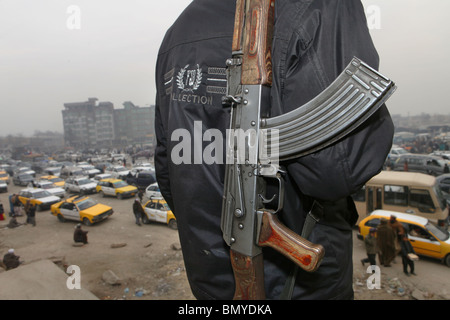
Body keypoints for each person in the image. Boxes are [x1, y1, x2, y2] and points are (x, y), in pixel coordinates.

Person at [155, 0, 394, 300]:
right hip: (299, 289)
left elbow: (169, 172)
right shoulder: (322, 6)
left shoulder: (179, 31)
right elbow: (340, 170)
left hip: (210, 283)